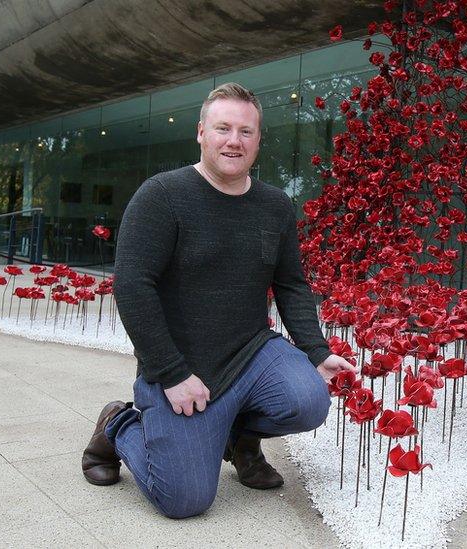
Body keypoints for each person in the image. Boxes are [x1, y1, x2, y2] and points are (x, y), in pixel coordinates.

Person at [80, 82, 355, 519]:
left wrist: (316, 352)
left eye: (246, 132)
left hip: (251, 351)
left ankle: (240, 438)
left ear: (258, 139)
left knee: (307, 400)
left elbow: (291, 284)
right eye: (223, 128)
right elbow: (132, 286)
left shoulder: (275, 205)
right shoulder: (162, 195)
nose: (234, 141)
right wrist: (171, 373)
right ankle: (119, 425)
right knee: (183, 500)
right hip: (184, 366)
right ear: (201, 133)